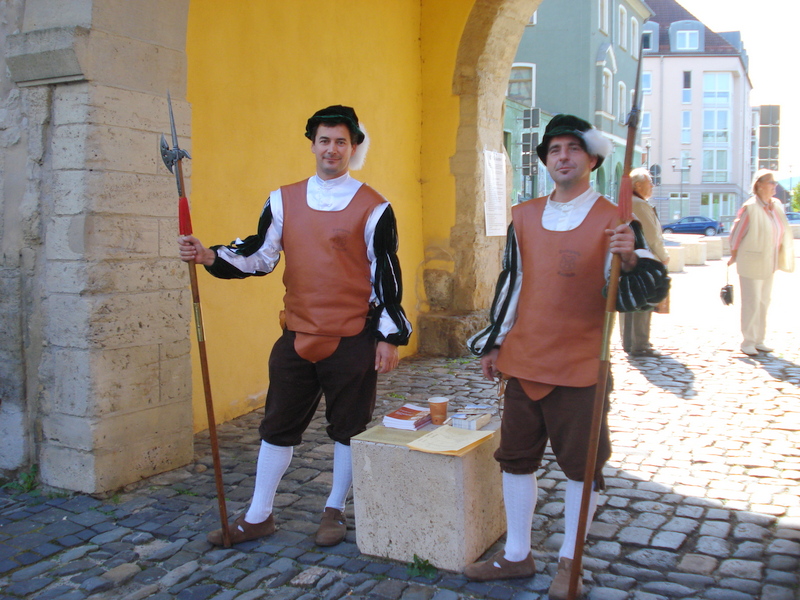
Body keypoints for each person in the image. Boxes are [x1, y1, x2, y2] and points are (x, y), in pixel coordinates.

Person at [178, 105, 412, 547]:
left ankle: (333, 510)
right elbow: (260, 254)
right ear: (313, 144)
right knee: (277, 425)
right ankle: (258, 514)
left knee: (349, 428)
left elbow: (386, 276)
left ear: (354, 147)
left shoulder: (375, 207)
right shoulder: (282, 199)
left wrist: (388, 337)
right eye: (324, 140)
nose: (332, 148)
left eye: (341, 141)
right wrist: (210, 256)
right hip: (297, 334)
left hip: (352, 337)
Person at [464, 115, 669, 599]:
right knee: (515, 460)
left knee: (582, 466)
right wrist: (495, 342)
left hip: (581, 364)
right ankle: (517, 555)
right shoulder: (524, 215)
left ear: (592, 159)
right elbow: (511, 283)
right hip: (523, 358)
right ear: (545, 160)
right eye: (554, 149)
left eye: (572, 149)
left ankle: (569, 563)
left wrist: (632, 257)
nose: (562, 157)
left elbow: (640, 293)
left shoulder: (616, 219)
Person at [728, 169, 794, 356]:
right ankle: (748, 340)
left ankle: (759, 339)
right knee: (752, 301)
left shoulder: (776, 205)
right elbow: (736, 234)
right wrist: (734, 254)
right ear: (759, 185)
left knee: (764, 301)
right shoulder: (751, 207)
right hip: (752, 260)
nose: (775, 186)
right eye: (771, 182)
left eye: (774, 182)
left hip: (769, 260)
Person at [619, 167, 670, 357]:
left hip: (629, 257)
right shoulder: (639, 204)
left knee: (629, 298)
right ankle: (640, 344)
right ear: (638, 185)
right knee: (643, 299)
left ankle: (629, 342)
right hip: (644, 259)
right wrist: (663, 256)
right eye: (650, 182)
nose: (652, 186)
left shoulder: (628, 202)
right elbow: (651, 235)